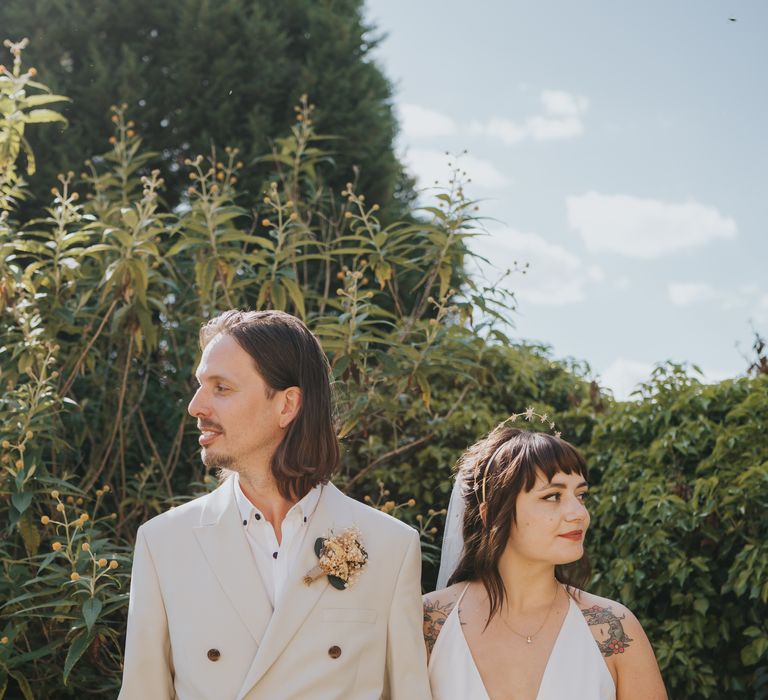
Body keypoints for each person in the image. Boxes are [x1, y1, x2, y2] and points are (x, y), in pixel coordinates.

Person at [119, 309, 430, 700]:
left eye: (221, 388)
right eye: (200, 385)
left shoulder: (391, 547)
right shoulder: (163, 543)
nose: (195, 406)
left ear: (287, 405)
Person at [423, 417, 667, 700]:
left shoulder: (613, 628)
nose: (579, 513)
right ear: (490, 513)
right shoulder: (428, 623)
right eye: (553, 496)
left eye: (581, 495)